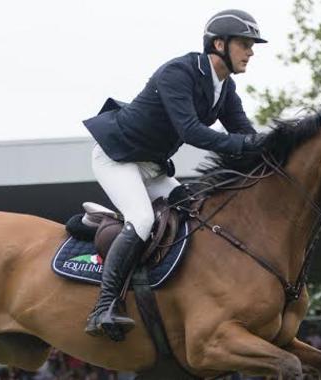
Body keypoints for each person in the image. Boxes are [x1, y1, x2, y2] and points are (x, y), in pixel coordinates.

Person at [82, 9, 268, 339]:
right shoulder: (178, 72)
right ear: (219, 44)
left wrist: (275, 150)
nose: (251, 52)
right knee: (141, 221)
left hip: (152, 169)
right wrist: (247, 144)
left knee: (193, 210)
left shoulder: (223, 88)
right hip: (118, 158)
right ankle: (104, 306)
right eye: (245, 44)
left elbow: (243, 132)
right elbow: (192, 131)